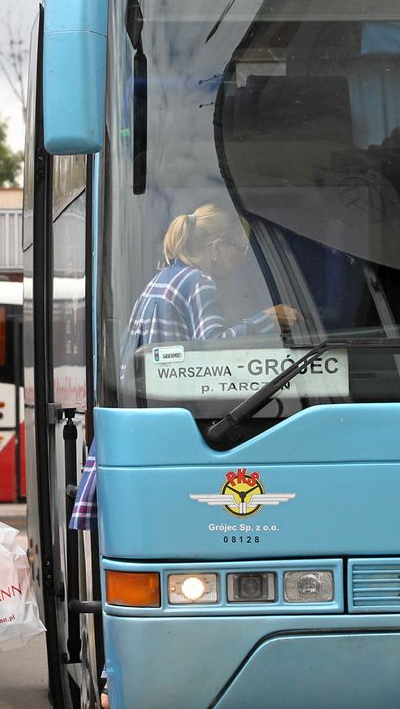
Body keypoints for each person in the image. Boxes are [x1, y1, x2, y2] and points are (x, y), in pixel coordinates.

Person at [70, 202, 299, 529]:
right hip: (179, 420)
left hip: (150, 418)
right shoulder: (199, 282)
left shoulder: (162, 280)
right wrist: (268, 321)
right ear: (217, 248)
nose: (241, 260)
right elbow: (214, 345)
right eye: (241, 250)